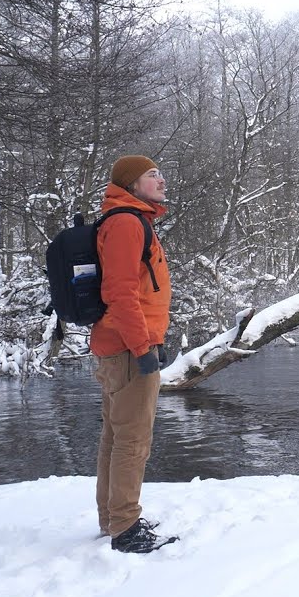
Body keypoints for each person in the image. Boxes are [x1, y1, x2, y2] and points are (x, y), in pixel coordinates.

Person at [91, 155, 178, 553]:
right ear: (131, 184)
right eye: (151, 174)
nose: (161, 180)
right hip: (127, 347)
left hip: (123, 344)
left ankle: (114, 519)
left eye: (159, 173)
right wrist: (143, 347)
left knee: (116, 436)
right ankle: (125, 530)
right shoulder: (127, 222)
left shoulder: (131, 220)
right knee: (132, 440)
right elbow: (120, 293)